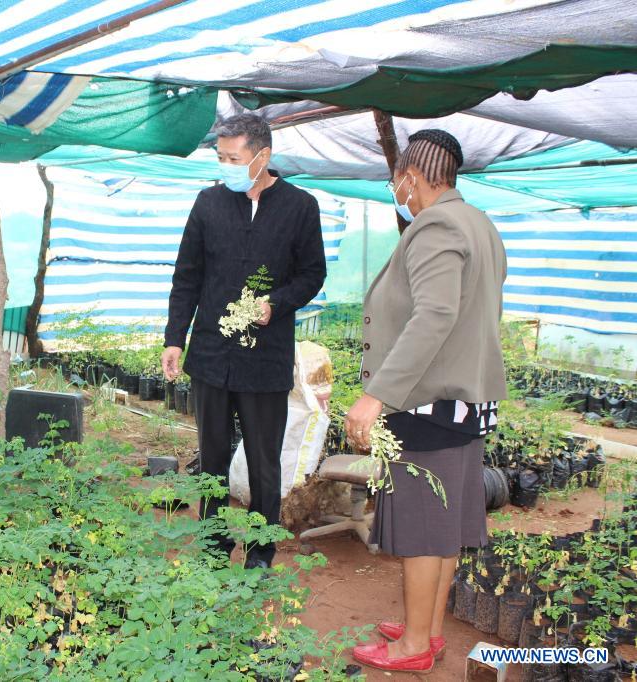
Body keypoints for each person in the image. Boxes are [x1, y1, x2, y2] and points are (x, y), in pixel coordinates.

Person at [344, 129, 508, 673]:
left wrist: (376, 396)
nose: (399, 190)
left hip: (428, 404)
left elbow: (435, 315)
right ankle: (428, 630)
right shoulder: (479, 223)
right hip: (464, 405)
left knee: (420, 531)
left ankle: (413, 646)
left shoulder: (435, 225)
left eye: (398, 180)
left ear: (411, 177)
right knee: (442, 531)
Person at [162, 113, 326, 569]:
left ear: (262, 157)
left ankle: (259, 552)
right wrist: (175, 338)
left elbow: (313, 274)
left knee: (263, 461)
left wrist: (277, 303)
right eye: (221, 158)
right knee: (211, 457)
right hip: (212, 356)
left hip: (265, 359)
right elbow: (187, 277)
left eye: (234, 158)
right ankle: (214, 545)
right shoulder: (208, 204)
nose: (226, 167)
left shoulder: (299, 207)